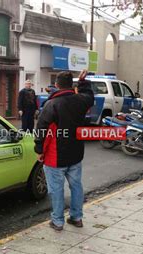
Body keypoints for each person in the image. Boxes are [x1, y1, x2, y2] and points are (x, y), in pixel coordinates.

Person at [34, 70, 94, 231]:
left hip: (55, 156)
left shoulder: (51, 104)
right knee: (76, 186)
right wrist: (83, 82)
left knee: (56, 190)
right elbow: (90, 96)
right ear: (71, 85)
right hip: (75, 154)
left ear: (56, 85)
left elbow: (41, 128)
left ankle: (58, 221)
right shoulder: (81, 100)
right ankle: (76, 217)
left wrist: (39, 149)